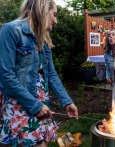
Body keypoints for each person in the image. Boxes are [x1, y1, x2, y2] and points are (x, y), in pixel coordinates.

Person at [0, 0, 78, 146]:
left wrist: (67, 102)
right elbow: (6, 75)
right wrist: (34, 105)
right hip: (20, 103)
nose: (56, 20)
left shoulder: (42, 38)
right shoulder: (11, 30)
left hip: (41, 103)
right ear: (42, 10)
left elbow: (51, 74)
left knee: (43, 142)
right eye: (54, 14)